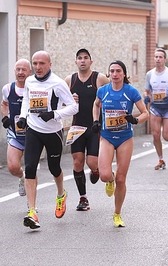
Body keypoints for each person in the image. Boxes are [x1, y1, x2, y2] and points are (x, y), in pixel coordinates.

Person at [18, 51, 78, 229]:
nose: (38, 67)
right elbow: (26, 100)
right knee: (29, 168)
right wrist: (23, 116)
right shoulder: (29, 81)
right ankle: (33, 212)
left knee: (54, 168)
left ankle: (61, 194)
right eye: (35, 63)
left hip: (53, 132)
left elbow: (74, 107)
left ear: (49, 65)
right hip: (33, 130)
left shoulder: (58, 83)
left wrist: (54, 114)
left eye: (42, 63)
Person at [92, 60, 149, 227]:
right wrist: (96, 120)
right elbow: (95, 106)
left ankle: (117, 213)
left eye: (118, 71)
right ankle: (110, 179)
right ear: (109, 74)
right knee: (104, 174)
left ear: (124, 74)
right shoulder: (103, 91)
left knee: (122, 179)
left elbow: (146, 113)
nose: (115, 74)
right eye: (112, 71)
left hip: (125, 137)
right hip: (107, 136)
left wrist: (135, 119)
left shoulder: (130, 91)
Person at [65, 48, 110, 211]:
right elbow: (59, 102)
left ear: (91, 61)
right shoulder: (70, 80)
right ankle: (83, 198)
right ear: (75, 62)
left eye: (85, 58)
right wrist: (68, 100)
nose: (82, 60)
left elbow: (112, 93)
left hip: (94, 128)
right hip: (77, 127)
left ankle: (96, 170)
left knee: (92, 163)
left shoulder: (99, 78)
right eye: (79, 58)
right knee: (77, 162)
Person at [0, 59, 32, 197]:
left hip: (33, 135)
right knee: (13, 167)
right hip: (15, 134)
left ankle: (31, 206)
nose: (20, 72)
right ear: (14, 72)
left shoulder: (34, 89)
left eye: (23, 70)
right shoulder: (8, 89)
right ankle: (22, 177)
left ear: (29, 72)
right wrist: (5, 117)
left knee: (32, 170)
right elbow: (4, 103)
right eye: (18, 69)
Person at [144, 48, 168, 170]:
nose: (158, 59)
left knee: (166, 135)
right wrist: (147, 97)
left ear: (165, 59)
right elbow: (147, 91)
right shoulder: (150, 74)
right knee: (156, 134)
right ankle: (161, 159)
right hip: (155, 107)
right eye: (156, 57)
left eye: (160, 57)